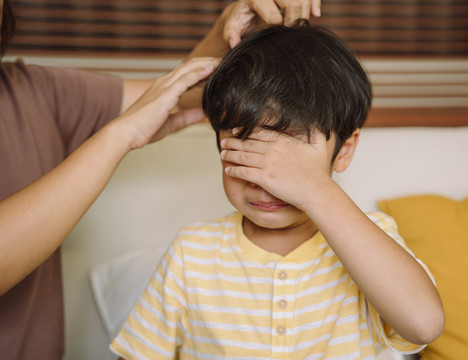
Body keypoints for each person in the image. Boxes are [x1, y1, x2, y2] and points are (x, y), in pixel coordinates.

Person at [0, 1, 322, 359]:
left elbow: (173, 99)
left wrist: (227, 31)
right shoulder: (191, 253)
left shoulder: (33, 89)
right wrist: (118, 136)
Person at [110, 20, 445, 359]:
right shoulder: (191, 253)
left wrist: (314, 190)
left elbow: (424, 324)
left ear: (344, 150)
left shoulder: (371, 238)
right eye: (246, 150)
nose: (266, 179)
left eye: (290, 159)